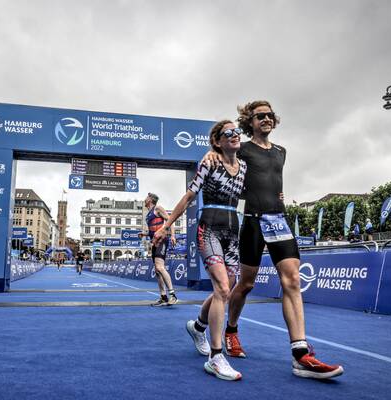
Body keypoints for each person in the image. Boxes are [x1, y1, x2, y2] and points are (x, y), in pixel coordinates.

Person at [203, 100, 343, 379]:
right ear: (249, 122)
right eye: (259, 116)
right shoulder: (241, 148)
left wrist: (276, 197)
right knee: (245, 284)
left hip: (279, 219)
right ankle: (231, 329)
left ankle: (301, 354)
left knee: (292, 280)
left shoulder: (281, 151)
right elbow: (222, 161)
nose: (266, 119)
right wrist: (210, 156)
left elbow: (272, 181)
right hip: (253, 221)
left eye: (269, 115)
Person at [154, 119, 245, 380]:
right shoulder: (209, 162)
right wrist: (166, 226)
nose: (235, 135)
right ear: (217, 141)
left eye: (237, 132)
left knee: (228, 285)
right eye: (229, 133)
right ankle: (216, 357)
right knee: (222, 288)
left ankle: (198, 326)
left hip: (232, 232)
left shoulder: (244, 166)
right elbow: (189, 196)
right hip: (209, 230)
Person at [141, 193, 178, 307]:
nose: (145, 198)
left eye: (147, 197)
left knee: (160, 267)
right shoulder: (148, 214)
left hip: (162, 240)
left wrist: (172, 236)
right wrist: (145, 233)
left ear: (151, 200)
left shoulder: (158, 208)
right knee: (157, 271)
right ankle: (163, 297)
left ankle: (173, 295)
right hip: (154, 242)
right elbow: (153, 230)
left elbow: (170, 220)